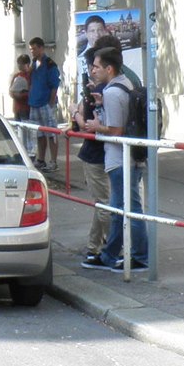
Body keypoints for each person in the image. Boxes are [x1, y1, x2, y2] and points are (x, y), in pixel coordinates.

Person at [79, 46, 147, 272]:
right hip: (128, 158)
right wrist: (100, 105)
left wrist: (96, 126)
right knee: (121, 210)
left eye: (97, 67)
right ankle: (111, 255)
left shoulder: (112, 92)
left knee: (125, 210)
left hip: (119, 159)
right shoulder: (125, 84)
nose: (93, 70)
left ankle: (138, 257)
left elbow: (116, 130)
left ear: (109, 68)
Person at [70, 61, 111, 262]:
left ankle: (113, 247)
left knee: (104, 205)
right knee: (103, 203)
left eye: (95, 67)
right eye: (91, 67)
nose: (92, 71)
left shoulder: (101, 93)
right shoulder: (104, 90)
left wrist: (74, 111)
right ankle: (95, 247)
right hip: (102, 154)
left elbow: (85, 125)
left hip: (97, 155)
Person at [26, 37, 62, 169]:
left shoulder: (50, 64)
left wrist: (51, 104)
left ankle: (53, 161)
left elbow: (54, 85)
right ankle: (41, 159)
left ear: (41, 48)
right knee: (39, 134)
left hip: (45, 104)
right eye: (31, 49)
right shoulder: (34, 64)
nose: (32, 52)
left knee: (51, 133)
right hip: (34, 103)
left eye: (34, 49)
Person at [9, 53, 31, 122]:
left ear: (27, 64)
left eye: (21, 64)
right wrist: (13, 94)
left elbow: (31, 91)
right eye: (18, 63)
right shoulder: (16, 76)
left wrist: (22, 95)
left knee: (25, 126)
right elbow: (11, 89)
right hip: (16, 108)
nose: (19, 66)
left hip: (26, 108)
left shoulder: (30, 76)